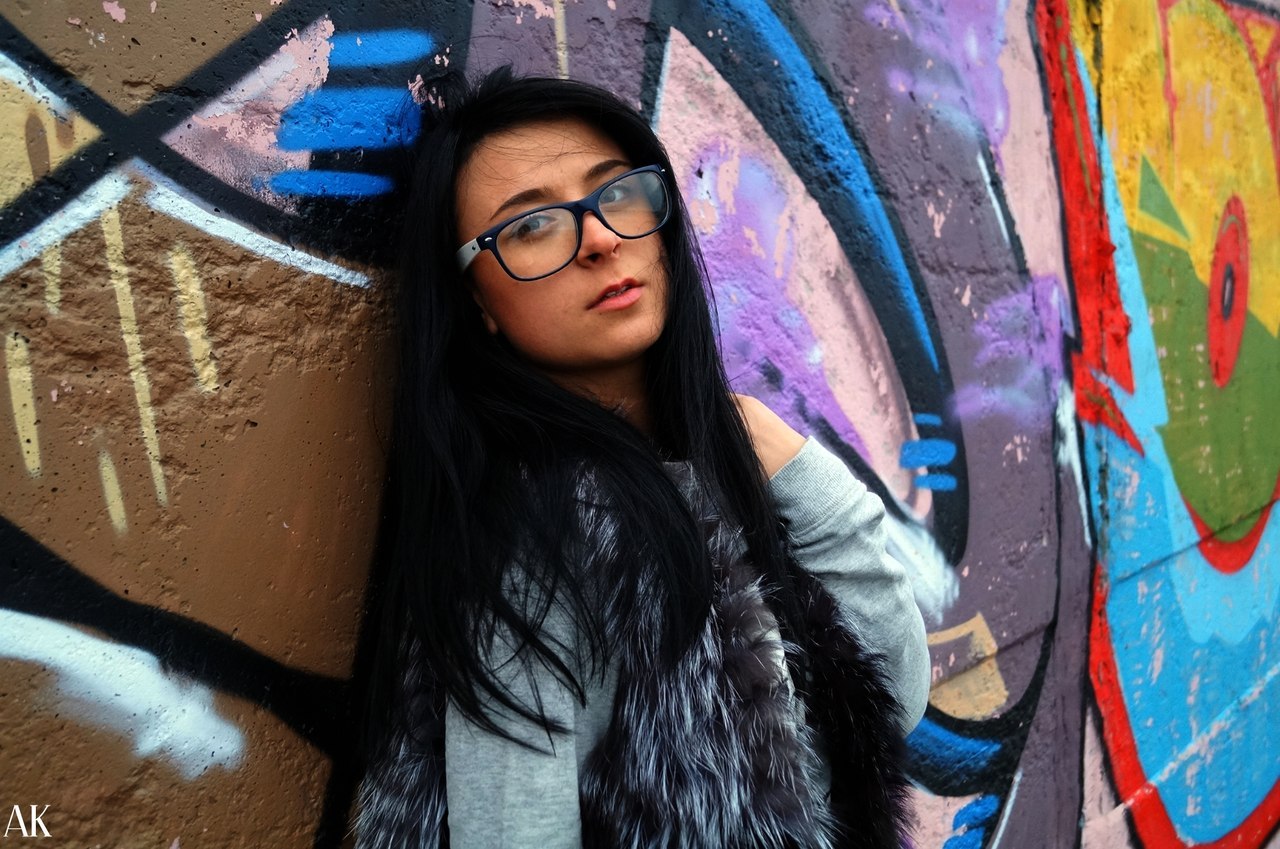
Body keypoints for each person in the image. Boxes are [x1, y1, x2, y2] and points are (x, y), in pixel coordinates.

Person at [354, 67, 931, 849]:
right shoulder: (536, 534)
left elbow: (892, 699)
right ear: (478, 300)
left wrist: (790, 461)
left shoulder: (720, 465)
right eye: (532, 226)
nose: (600, 238)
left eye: (617, 192)